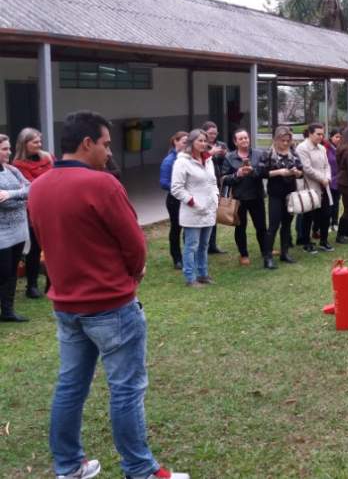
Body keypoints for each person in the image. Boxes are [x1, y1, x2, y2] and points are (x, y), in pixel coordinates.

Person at [29, 111, 188, 479]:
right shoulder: (102, 185)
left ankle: (68, 467)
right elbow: (135, 244)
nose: (108, 151)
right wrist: (133, 274)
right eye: (105, 144)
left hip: (66, 305)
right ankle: (141, 470)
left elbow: (45, 241)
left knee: (70, 386)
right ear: (87, 143)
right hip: (110, 305)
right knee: (127, 390)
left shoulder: (38, 187)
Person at [170, 129, 219, 287]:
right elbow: (176, 188)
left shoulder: (208, 160)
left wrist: (216, 197)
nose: (203, 144)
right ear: (191, 142)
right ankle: (190, 277)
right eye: (200, 140)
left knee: (204, 245)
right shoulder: (182, 162)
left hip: (209, 209)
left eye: (205, 141)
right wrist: (193, 202)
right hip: (193, 210)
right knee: (192, 245)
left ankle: (203, 274)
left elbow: (212, 181)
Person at [12, 127, 54, 297]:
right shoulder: (18, 165)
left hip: (53, 206)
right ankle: (32, 286)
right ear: (25, 144)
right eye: (35, 141)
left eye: (39, 141)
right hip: (34, 210)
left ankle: (53, 284)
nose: (39, 144)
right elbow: (31, 186)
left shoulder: (48, 157)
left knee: (53, 246)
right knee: (35, 248)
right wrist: (51, 182)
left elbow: (59, 174)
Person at [221, 129, 269, 267]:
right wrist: (237, 175)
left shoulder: (259, 154)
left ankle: (265, 252)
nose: (244, 141)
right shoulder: (229, 157)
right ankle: (244, 254)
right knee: (240, 228)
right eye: (240, 139)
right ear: (235, 142)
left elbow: (265, 172)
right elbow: (224, 178)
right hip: (239, 198)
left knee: (261, 226)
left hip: (256, 196)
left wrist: (254, 171)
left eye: (246, 138)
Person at [257, 126, 303, 266]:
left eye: (287, 140)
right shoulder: (268, 153)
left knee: (287, 224)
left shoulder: (293, 153)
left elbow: (301, 172)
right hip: (275, 194)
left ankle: (285, 253)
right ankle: (268, 257)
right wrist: (279, 172)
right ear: (275, 139)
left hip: (290, 194)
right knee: (273, 225)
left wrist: (296, 172)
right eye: (282, 140)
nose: (285, 143)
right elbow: (260, 173)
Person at [0, 134, 30, 322]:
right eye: (4, 149)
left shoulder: (12, 169)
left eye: (9, 148)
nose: (9, 152)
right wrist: (20, 197)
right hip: (2, 233)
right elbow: (5, 204)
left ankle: (8, 311)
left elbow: (30, 189)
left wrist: (10, 194)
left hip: (19, 230)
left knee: (12, 272)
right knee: (2, 272)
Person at [296, 123, 334, 253]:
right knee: (308, 215)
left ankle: (324, 241)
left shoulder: (322, 148)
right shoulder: (302, 148)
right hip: (310, 186)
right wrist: (321, 178)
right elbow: (306, 168)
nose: (321, 136)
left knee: (326, 214)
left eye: (322, 134)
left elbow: (327, 166)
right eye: (318, 134)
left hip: (324, 186)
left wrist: (328, 178)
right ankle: (306, 243)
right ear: (310, 133)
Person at [158, 131, 187, 271]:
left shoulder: (190, 158)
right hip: (175, 200)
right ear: (175, 142)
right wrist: (180, 188)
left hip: (188, 199)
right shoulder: (169, 160)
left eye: (188, 142)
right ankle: (177, 258)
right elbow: (163, 182)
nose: (186, 144)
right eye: (183, 141)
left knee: (190, 227)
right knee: (176, 228)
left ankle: (189, 256)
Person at [201, 121, 228, 255]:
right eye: (210, 133)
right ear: (204, 132)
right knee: (204, 214)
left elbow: (227, 162)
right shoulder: (201, 145)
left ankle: (212, 245)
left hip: (218, 183)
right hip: (205, 184)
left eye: (215, 133)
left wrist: (224, 155)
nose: (213, 135)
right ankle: (203, 245)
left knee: (214, 214)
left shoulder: (221, 145)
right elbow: (201, 161)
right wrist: (211, 153)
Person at [325, 129, 341, 231]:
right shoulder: (326, 148)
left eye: (340, 137)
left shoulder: (341, 148)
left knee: (336, 202)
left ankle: (335, 222)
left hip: (338, 180)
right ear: (331, 137)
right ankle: (328, 223)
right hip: (329, 180)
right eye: (336, 137)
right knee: (328, 203)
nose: (339, 139)